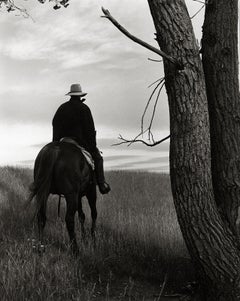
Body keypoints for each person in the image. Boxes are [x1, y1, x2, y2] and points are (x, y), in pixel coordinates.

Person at [52, 83, 111, 194]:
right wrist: (93, 147)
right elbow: (90, 130)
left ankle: (49, 182)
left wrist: (55, 142)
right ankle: (102, 184)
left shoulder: (62, 107)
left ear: (70, 95)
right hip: (79, 142)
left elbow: (55, 124)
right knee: (98, 158)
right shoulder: (84, 108)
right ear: (80, 95)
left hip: (62, 142)